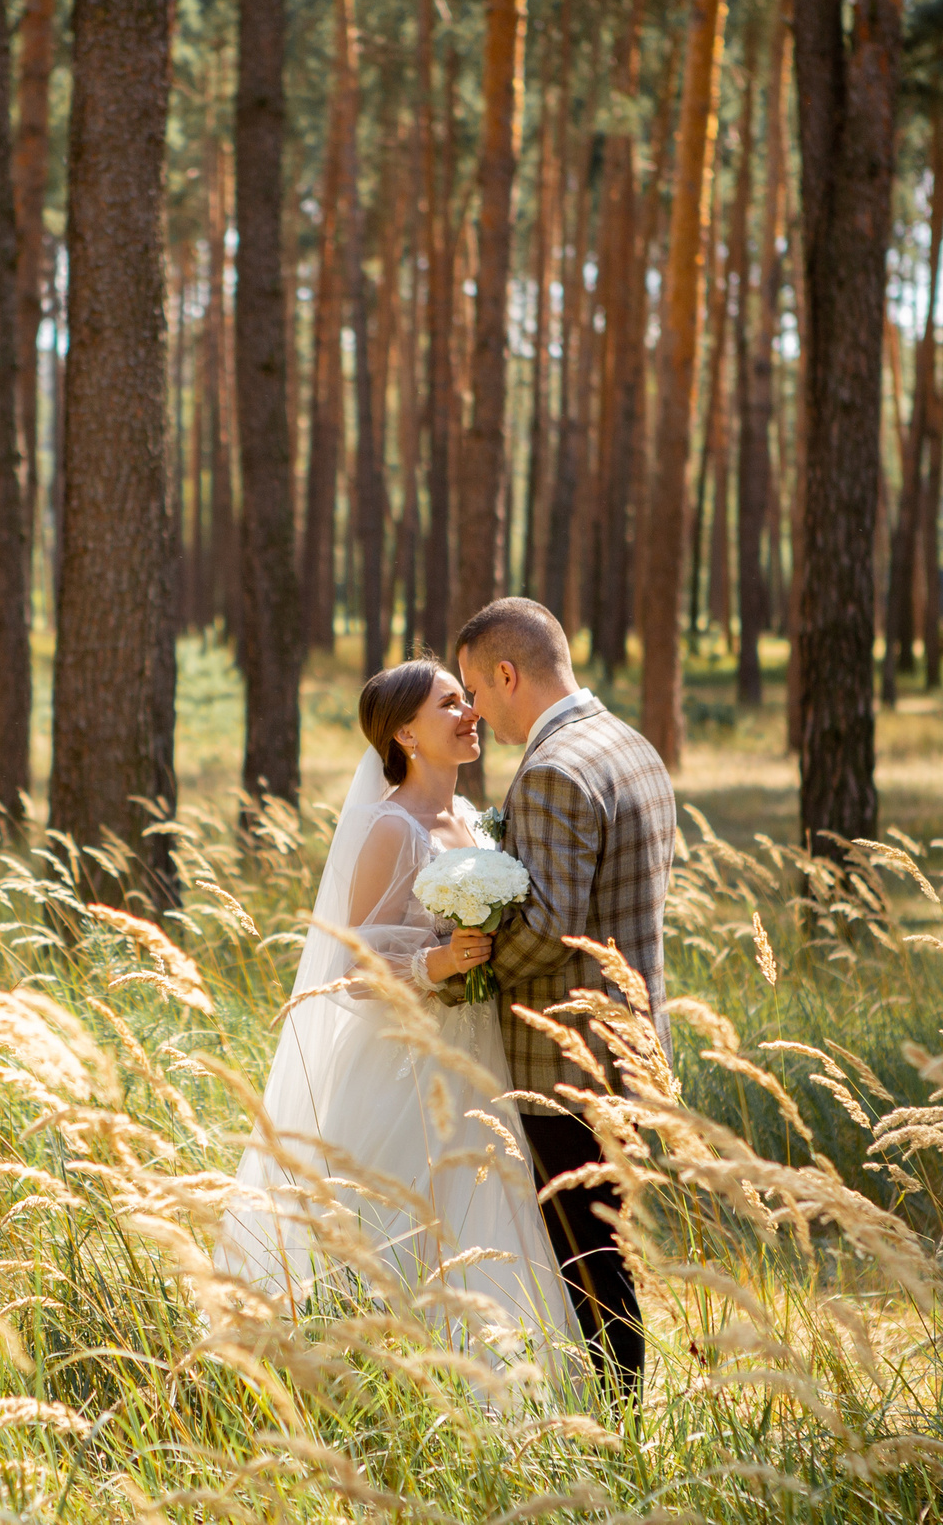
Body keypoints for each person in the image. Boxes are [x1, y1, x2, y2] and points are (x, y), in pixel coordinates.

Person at [217, 658, 580, 1375]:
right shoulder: (392, 829)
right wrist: (440, 963)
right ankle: (379, 1380)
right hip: (402, 1066)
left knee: (484, 1222)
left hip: (479, 1057)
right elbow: (353, 969)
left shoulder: (478, 822)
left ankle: (500, 1390)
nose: (469, 712)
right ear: (407, 733)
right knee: (398, 1231)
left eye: (466, 699)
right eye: (450, 703)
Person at [450, 596, 675, 1395]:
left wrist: (462, 969)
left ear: (508, 674)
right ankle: (620, 1425)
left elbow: (547, 929)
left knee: (589, 1267)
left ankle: (621, 1436)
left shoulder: (553, 768)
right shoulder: (631, 745)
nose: (474, 709)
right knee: (604, 1256)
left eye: (476, 688)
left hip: (565, 1063)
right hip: (629, 1046)